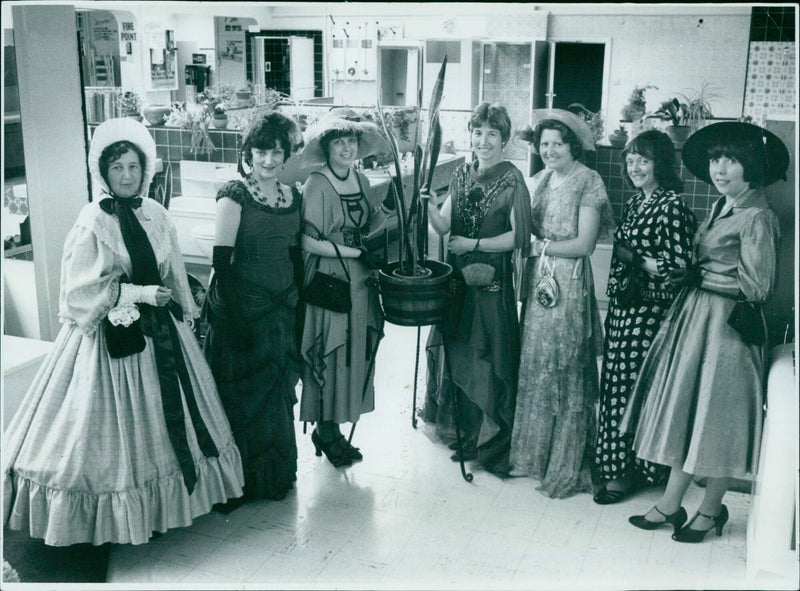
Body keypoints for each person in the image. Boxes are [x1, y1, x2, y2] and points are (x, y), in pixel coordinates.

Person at [2, 118, 244, 547]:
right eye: (118, 168)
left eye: (134, 166)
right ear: (104, 172)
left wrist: (186, 309)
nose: (128, 175)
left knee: (170, 419)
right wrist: (138, 293)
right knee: (103, 436)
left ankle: (163, 507)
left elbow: (174, 272)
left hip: (163, 335)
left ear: (145, 169)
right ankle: (113, 518)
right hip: (108, 339)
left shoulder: (157, 214)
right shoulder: (92, 220)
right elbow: (80, 293)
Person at [621, 121, 787, 542]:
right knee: (692, 412)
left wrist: (697, 277)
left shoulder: (758, 217)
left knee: (717, 419)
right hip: (699, 321)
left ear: (751, 166)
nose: (720, 169)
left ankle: (712, 510)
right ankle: (671, 504)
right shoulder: (723, 206)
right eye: (715, 160)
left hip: (730, 329)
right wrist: (693, 277)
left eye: (730, 160)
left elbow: (757, 288)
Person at [423, 102, 532, 477]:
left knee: (486, 352)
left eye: (492, 134)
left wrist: (471, 245)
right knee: (459, 348)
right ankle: (466, 433)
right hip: (458, 279)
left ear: (504, 139)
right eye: (478, 132)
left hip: (491, 280)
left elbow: (519, 237)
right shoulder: (461, 174)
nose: (483, 141)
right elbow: (443, 226)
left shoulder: (513, 179)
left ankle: (490, 439)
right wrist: (431, 207)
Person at [510, 109, 614, 498]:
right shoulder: (540, 179)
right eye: (544, 144)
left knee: (565, 363)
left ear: (572, 146)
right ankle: (532, 457)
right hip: (539, 280)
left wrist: (543, 246)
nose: (550, 150)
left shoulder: (588, 181)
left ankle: (565, 461)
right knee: (536, 360)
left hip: (568, 283)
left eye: (558, 143)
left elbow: (585, 245)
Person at [203, 112, 304, 508]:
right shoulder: (235, 194)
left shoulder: (292, 196)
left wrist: (299, 309)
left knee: (275, 398)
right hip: (242, 314)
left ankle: (272, 476)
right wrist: (236, 321)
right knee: (239, 398)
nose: (268, 160)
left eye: (276, 152)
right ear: (249, 153)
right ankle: (236, 485)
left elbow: (295, 257)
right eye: (261, 151)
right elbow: (221, 265)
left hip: (282, 313)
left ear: (285, 156)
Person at [592, 130, 697, 505]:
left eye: (644, 160)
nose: (635, 167)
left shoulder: (671, 205)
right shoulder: (639, 201)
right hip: (625, 308)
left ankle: (627, 472)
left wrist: (635, 259)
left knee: (633, 388)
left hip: (650, 313)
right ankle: (617, 464)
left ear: (661, 164)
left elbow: (680, 268)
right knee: (618, 383)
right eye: (631, 160)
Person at [297, 108, 387, 467]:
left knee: (354, 352)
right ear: (327, 147)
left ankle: (335, 429)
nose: (347, 148)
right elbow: (307, 240)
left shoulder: (362, 180)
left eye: (351, 141)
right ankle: (326, 429)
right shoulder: (317, 184)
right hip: (331, 281)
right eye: (340, 142)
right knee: (330, 353)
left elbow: (370, 223)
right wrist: (352, 252)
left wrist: (390, 210)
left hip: (360, 280)